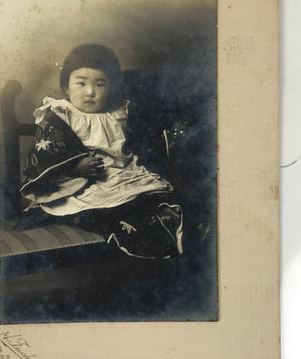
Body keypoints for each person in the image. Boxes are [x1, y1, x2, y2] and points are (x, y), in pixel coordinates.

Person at [20, 44, 183, 259]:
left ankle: (163, 217)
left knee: (153, 196)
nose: (90, 92)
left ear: (111, 86)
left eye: (100, 84)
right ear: (66, 87)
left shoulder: (120, 112)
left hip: (123, 176)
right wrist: (75, 167)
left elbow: (140, 143)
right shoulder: (61, 114)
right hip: (83, 185)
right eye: (81, 83)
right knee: (111, 211)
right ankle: (142, 228)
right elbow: (46, 153)